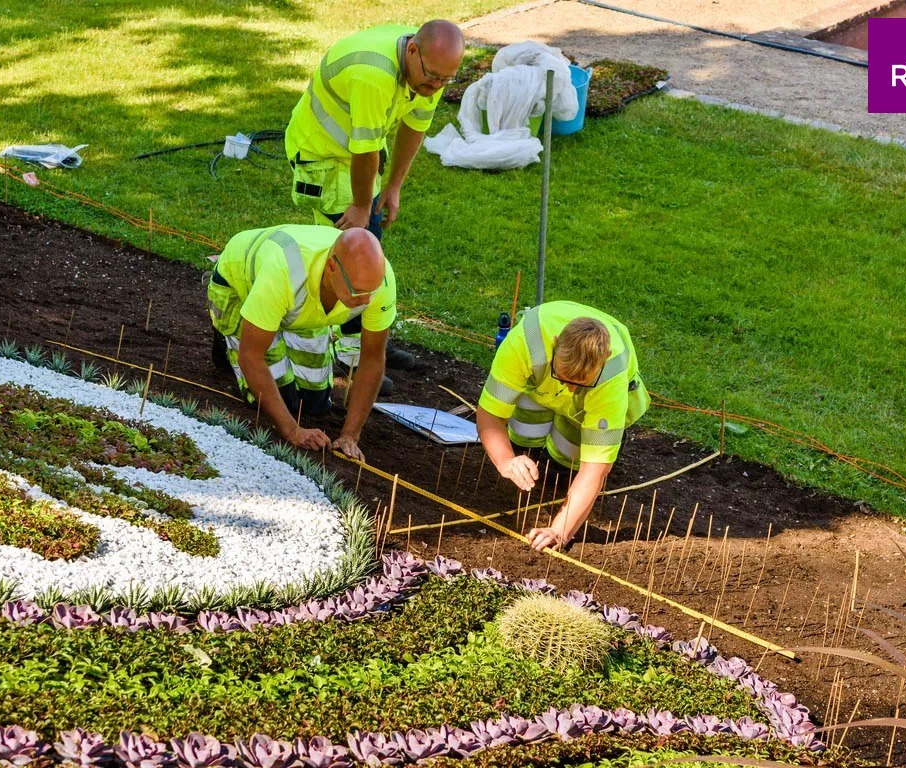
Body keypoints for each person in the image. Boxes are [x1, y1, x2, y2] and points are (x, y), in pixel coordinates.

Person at [284, 19, 465, 377]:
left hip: (355, 153)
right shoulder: (374, 75)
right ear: (412, 50)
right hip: (320, 155)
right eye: (433, 77)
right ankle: (350, 350)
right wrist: (362, 206)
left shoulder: (433, 67)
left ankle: (367, 339)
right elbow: (364, 152)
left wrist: (394, 187)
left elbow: (415, 126)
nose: (437, 86)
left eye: (446, 80)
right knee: (348, 249)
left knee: (370, 241)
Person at [206, 224, 395, 461]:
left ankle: (280, 327)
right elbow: (251, 356)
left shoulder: (379, 281)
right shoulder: (284, 269)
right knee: (282, 401)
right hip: (240, 286)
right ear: (331, 267)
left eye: (372, 291)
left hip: (300, 306)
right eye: (357, 291)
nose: (366, 300)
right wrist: (292, 431)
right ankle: (225, 339)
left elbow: (372, 357)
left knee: (315, 405)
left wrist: (350, 435)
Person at [476, 301, 651, 552]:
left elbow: (596, 469)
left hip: (585, 407)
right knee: (521, 440)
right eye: (564, 377)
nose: (569, 388)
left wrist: (560, 530)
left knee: (563, 465)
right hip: (538, 390)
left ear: (602, 364)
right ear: (555, 344)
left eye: (580, 382)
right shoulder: (525, 343)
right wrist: (506, 461)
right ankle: (530, 449)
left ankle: (556, 458)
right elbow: (489, 414)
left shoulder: (611, 378)